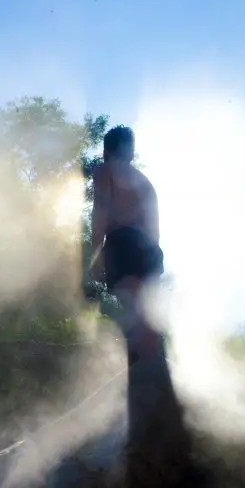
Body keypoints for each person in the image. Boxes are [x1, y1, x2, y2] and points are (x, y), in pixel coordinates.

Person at [87, 125, 164, 365]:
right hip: (150, 252)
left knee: (133, 312)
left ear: (106, 150)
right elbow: (155, 231)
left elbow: (101, 209)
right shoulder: (147, 184)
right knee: (147, 312)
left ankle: (143, 365)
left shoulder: (106, 170)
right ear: (131, 151)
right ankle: (154, 364)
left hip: (124, 244)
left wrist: (96, 253)